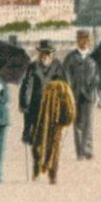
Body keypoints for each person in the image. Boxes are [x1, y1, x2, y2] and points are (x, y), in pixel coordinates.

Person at [18, 40, 74, 184]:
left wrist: (66, 109)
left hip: (53, 111)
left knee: (54, 143)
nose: (45, 56)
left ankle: (52, 173)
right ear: (39, 53)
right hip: (36, 110)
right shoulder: (33, 67)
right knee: (36, 141)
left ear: (52, 54)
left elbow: (65, 89)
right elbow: (27, 86)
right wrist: (25, 102)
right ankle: (37, 167)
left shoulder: (58, 68)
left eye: (48, 53)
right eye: (43, 53)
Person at [61, 29, 101, 160]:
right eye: (81, 39)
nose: (84, 42)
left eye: (86, 39)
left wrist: (95, 87)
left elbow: (98, 75)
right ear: (77, 40)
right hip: (75, 95)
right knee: (77, 124)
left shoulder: (94, 57)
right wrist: (69, 90)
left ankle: (88, 150)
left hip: (89, 95)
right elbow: (65, 75)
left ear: (90, 41)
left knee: (89, 123)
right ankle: (80, 153)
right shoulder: (71, 57)